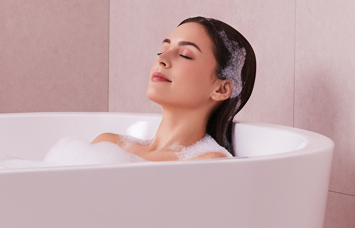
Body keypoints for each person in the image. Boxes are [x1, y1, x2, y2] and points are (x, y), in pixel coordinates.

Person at [93, 16, 256, 161]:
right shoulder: (108, 145)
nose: (161, 59)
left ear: (221, 89)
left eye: (185, 55)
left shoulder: (209, 163)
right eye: (162, 50)